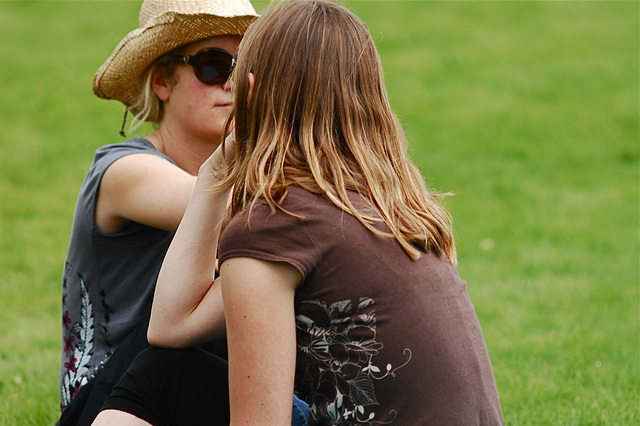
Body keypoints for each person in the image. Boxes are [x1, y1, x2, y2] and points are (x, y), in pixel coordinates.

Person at [94, 0, 505, 424]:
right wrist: (217, 170)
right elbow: (170, 327)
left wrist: (222, 171)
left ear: (250, 90)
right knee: (170, 372)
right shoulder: (380, 203)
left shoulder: (273, 226)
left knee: (160, 379)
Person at [58, 0, 258, 424]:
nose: (232, 85)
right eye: (214, 66)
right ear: (163, 81)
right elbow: (228, 209)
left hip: (191, 385)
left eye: (245, 69)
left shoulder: (254, 178)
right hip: (111, 400)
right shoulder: (123, 171)